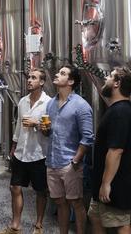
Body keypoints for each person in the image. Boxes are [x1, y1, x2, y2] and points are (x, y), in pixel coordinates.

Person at [0, 68, 52, 234]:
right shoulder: (22, 102)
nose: (29, 80)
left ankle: (39, 225)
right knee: (15, 187)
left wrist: (36, 123)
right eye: (29, 77)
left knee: (40, 191)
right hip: (21, 152)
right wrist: (13, 148)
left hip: (39, 154)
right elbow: (18, 127)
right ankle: (15, 225)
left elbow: (50, 131)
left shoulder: (49, 103)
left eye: (34, 78)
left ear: (41, 82)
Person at [40, 65, 94, 234]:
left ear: (70, 81)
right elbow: (50, 133)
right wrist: (45, 130)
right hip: (52, 161)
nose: (56, 74)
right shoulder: (51, 104)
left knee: (76, 203)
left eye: (62, 73)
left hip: (70, 163)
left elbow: (87, 137)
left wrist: (76, 160)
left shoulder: (81, 105)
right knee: (59, 203)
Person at [88, 66, 131, 234]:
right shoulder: (116, 109)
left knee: (120, 222)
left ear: (117, 83)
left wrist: (106, 183)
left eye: (110, 77)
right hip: (105, 180)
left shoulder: (121, 112)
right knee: (95, 216)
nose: (106, 79)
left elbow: (116, 151)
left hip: (117, 182)